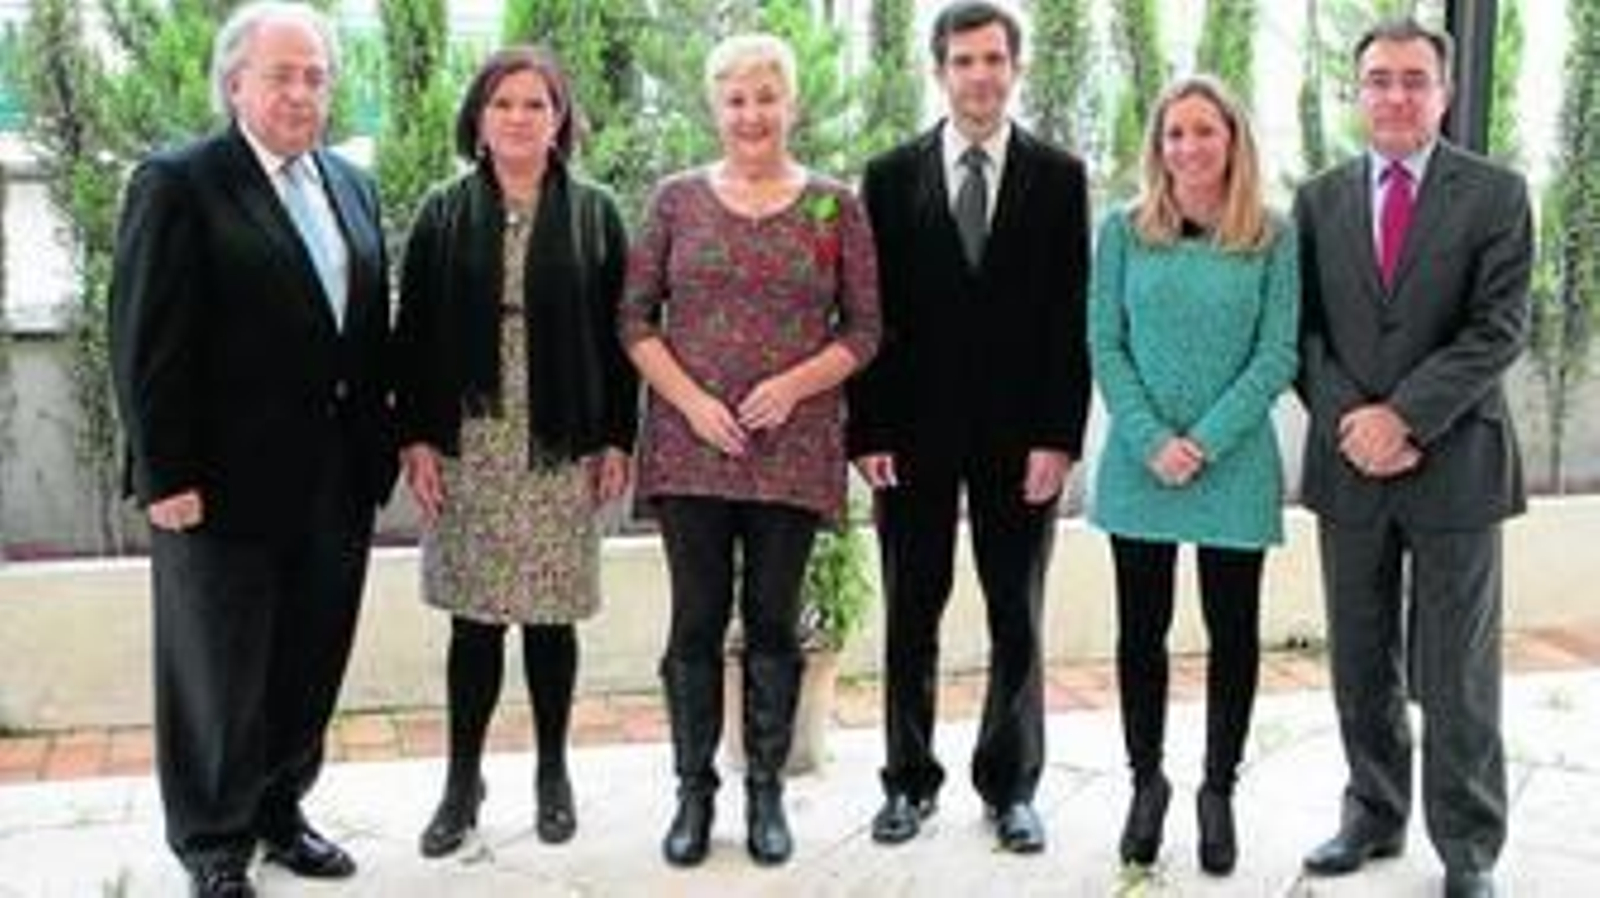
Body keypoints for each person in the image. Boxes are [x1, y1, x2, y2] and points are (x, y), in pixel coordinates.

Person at [107, 3, 394, 895]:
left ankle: (279, 810)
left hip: (335, 481)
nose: (303, 91)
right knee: (216, 675)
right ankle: (214, 843)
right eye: (283, 74)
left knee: (309, 662)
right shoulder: (180, 183)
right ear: (236, 83)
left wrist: (383, 450)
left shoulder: (351, 184)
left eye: (316, 75)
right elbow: (145, 340)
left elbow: (363, 332)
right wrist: (165, 473)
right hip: (220, 488)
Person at [620, 33, 880, 868]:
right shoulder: (675, 201)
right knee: (695, 620)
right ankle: (694, 793)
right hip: (692, 447)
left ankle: (765, 790)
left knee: (772, 620)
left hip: (792, 448)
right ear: (714, 107)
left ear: (791, 104)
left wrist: (796, 384)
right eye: (736, 98)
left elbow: (865, 328)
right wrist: (692, 403)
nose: (752, 113)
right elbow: (634, 319)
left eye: (767, 96)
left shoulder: (833, 205)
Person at [1295, 19, 1532, 898]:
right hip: (1350, 464)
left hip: (1456, 463)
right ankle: (1373, 812)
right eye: (1379, 80)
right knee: (1359, 655)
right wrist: (1355, 420)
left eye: (1414, 80)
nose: (1396, 95)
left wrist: (1406, 418)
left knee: (1457, 670)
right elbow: (1303, 331)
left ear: (1444, 90)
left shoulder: (1498, 194)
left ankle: (1469, 848)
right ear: (1358, 92)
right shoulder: (1317, 200)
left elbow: (1499, 329)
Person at [847, 0, 1091, 855]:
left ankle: (1012, 787)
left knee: (1015, 614)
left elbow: (1070, 318)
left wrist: (1059, 438)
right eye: (964, 60)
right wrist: (867, 431)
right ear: (939, 70)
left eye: (994, 59)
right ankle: (907, 783)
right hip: (910, 440)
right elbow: (866, 318)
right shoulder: (886, 178)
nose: (980, 75)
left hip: (1021, 440)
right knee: (912, 612)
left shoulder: (1060, 178)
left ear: (1014, 69)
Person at [393, 46, 635, 859]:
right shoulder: (441, 210)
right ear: (479, 117)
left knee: (552, 617)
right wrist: (417, 438)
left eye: (536, 105)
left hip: (561, 433)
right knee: (475, 620)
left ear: (560, 118)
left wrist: (617, 439)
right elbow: (412, 336)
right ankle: (462, 781)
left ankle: (554, 774)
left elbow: (623, 336)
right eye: (504, 104)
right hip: (471, 436)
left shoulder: (598, 212)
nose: (520, 119)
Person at [1088, 75, 1299, 876]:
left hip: (1234, 464)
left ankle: (1218, 791)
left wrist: (1204, 442)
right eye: (1174, 134)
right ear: (1158, 146)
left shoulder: (1272, 236)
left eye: (1204, 131)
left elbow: (1276, 353)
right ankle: (1147, 786)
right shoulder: (1122, 232)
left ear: (1232, 139)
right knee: (1141, 633)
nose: (1188, 147)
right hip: (1141, 468)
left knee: (1232, 633)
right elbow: (1104, 345)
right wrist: (1151, 441)